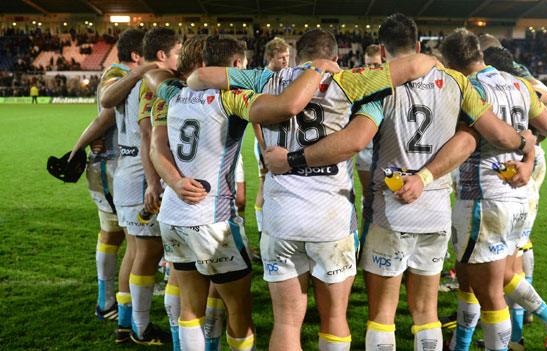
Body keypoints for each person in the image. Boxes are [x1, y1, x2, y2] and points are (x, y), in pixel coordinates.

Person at [262, 14, 537, 351]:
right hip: (434, 209)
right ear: (419, 45)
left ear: (381, 48)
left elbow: (357, 139)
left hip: (389, 210)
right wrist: (526, 145)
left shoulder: (379, 85)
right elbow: (483, 135)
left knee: (382, 315)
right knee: (426, 312)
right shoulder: (455, 81)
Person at [186, 28, 457, 351]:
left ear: (297, 54)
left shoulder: (264, 79)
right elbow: (414, 66)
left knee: (286, 321)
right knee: (334, 319)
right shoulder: (351, 81)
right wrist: (432, 60)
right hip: (330, 218)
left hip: (281, 216)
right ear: (335, 57)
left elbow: (199, 76)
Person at [145, 36, 339, 351]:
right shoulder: (232, 98)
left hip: (172, 215)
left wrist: (176, 182)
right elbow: (285, 107)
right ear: (237, 65)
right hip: (212, 218)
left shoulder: (171, 93)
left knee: (190, 309)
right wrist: (317, 70)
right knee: (238, 310)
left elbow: (153, 84)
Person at [440, 28, 547, 351]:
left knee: (488, 294)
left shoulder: (466, 88)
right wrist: (527, 149)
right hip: (516, 199)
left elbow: (464, 139)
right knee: (487, 283)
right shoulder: (517, 84)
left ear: (451, 61)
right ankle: (463, 343)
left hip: (484, 197)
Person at [99, 27, 181, 346]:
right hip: (141, 178)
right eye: (177, 52)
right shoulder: (152, 81)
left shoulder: (130, 80)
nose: (180, 58)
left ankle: (125, 323)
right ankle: (141, 328)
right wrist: (154, 182)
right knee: (149, 253)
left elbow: (106, 101)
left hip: (125, 174)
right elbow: (150, 137)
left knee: (135, 252)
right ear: (161, 55)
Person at [68, 29, 148, 327]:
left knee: (112, 236)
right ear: (138, 56)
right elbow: (105, 114)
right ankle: (123, 312)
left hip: (109, 166)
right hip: (113, 167)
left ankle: (108, 302)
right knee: (133, 242)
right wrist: (79, 147)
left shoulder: (119, 73)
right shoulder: (118, 75)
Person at [252, 36, 292, 260]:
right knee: (264, 184)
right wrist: (261, 144)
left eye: (288, 57)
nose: (286, 61)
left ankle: (280, 232)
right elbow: (255, 117)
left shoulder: (285, 76)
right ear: (270, 57)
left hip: (284, 140)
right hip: (267, 142)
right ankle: (261, 234)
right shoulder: (263, 78)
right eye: (281, 57)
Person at [356, 44, 383, 205]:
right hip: (365, 150)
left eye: (376, 65)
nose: (372, 68)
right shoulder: (359, 87)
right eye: (368, 65)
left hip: (387, 151)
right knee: (367, 194)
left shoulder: (394, 86)